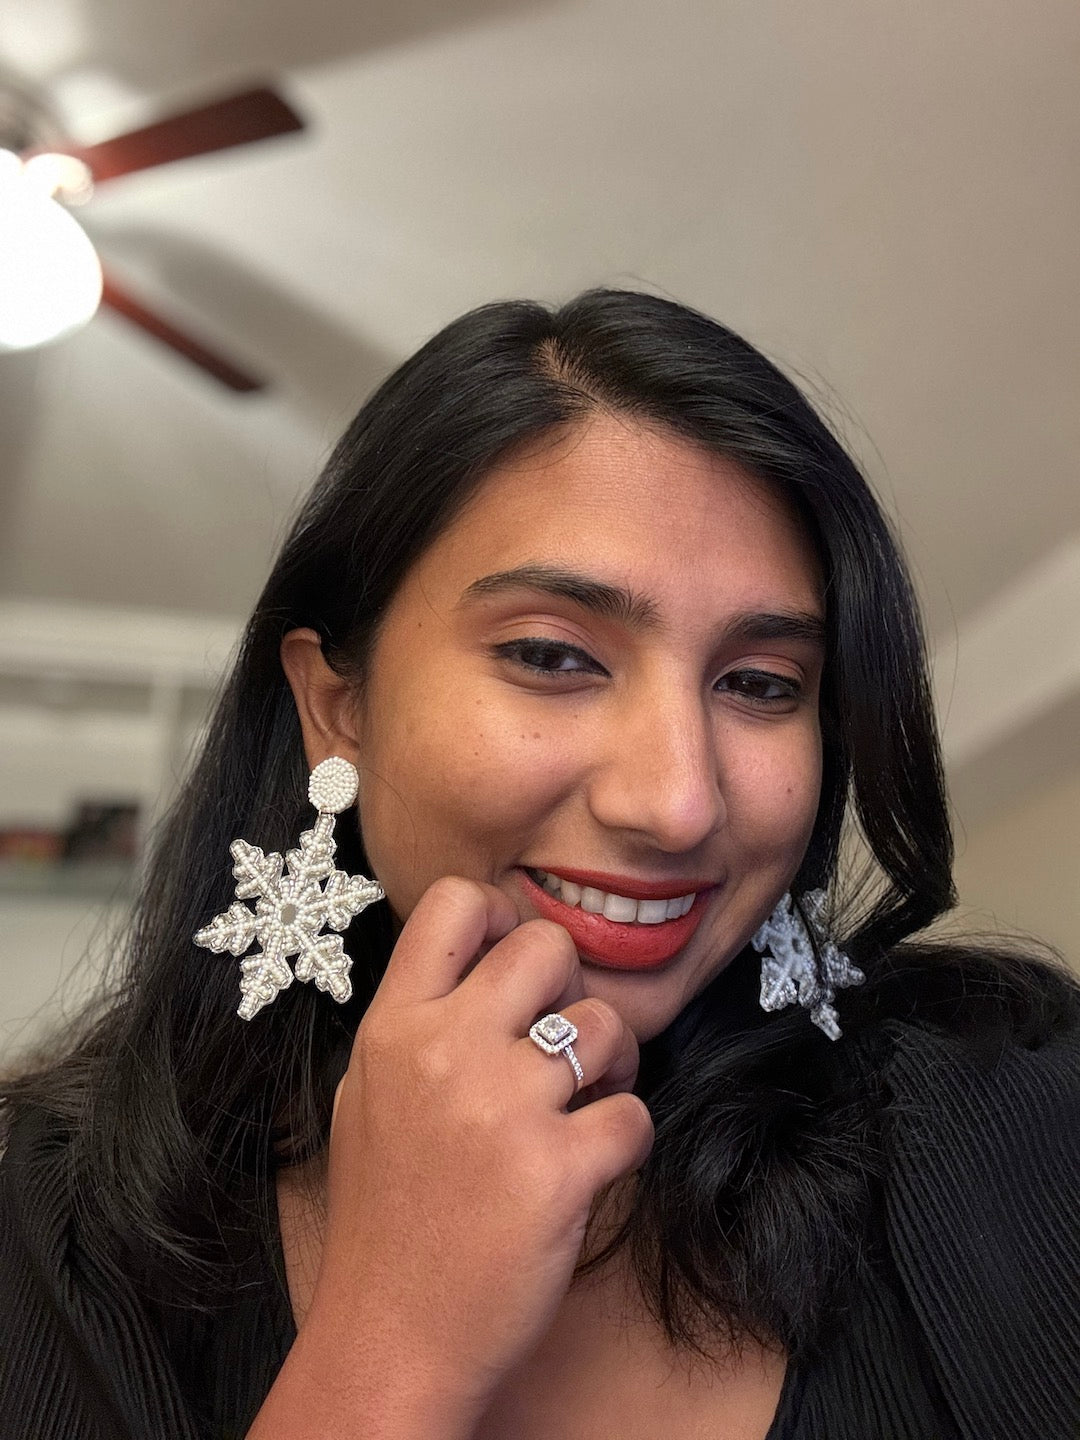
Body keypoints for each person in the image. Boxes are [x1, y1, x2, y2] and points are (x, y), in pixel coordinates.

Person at [1, 289, 1078, 1440]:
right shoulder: (45, 1216)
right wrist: (390, 1347)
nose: (676, 802)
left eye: (761, 684)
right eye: (554, 656)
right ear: (337, 707)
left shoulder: (1018, 1119)